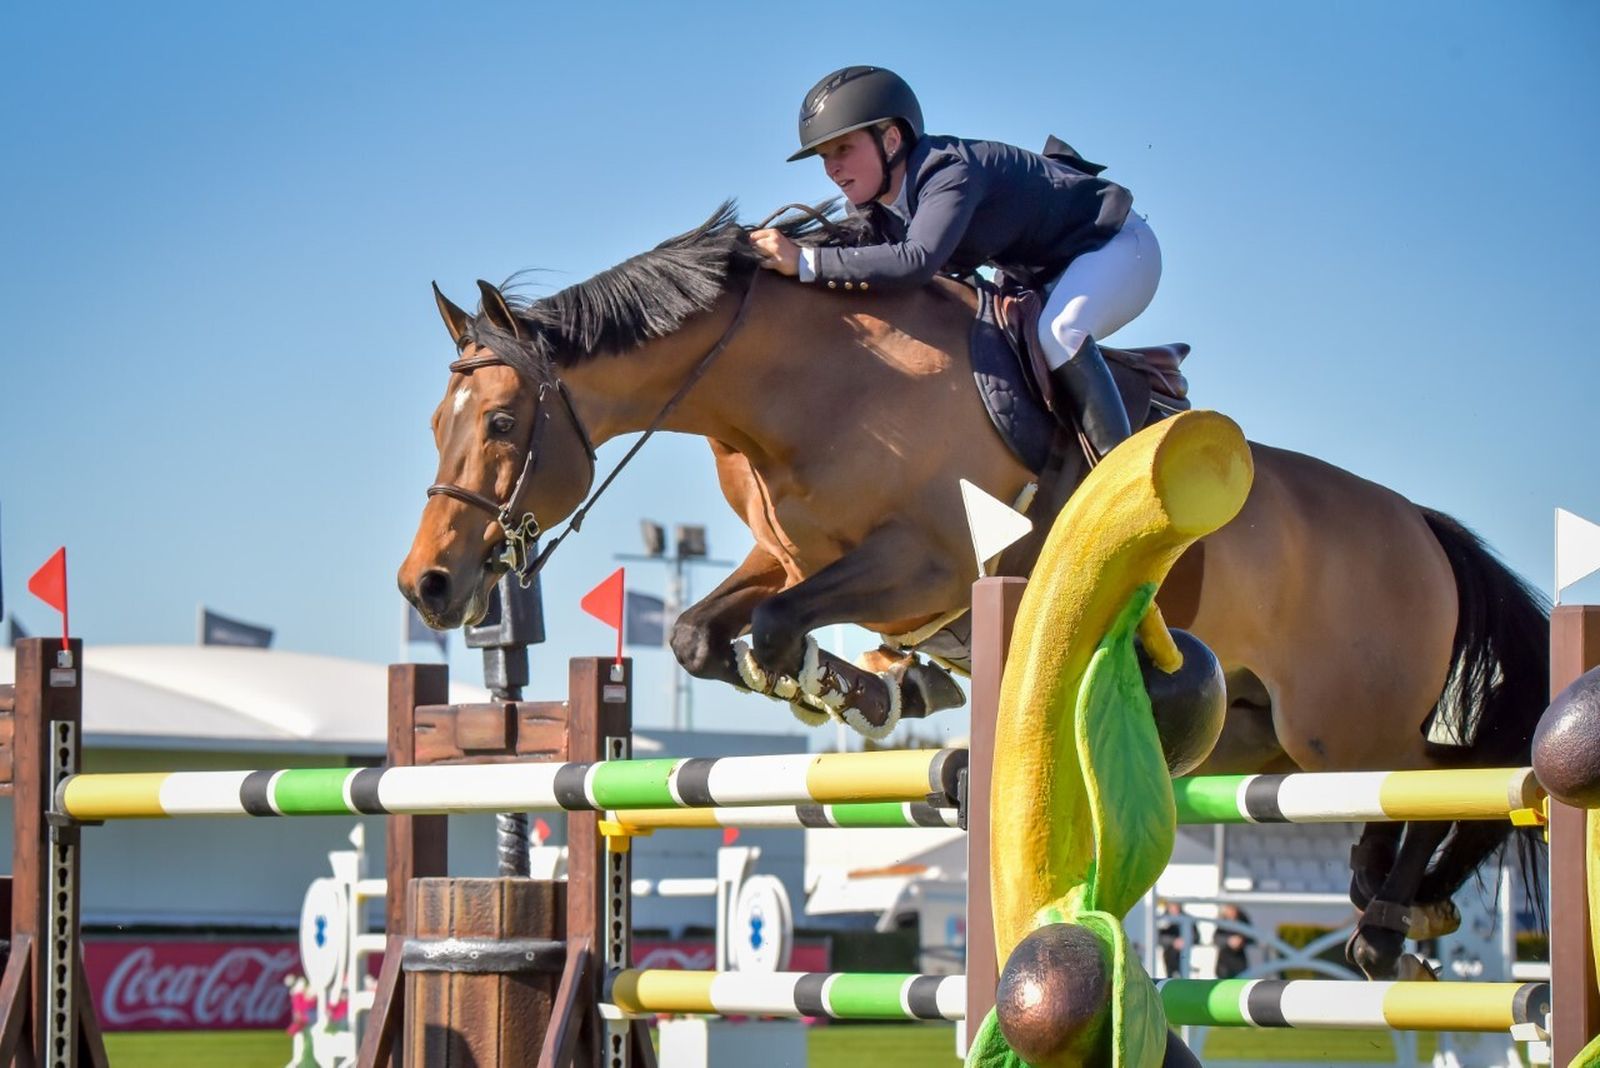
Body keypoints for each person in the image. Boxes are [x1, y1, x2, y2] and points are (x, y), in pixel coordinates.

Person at [750, 65, 1162, 459]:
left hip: (1115, 247)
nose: (832, 167)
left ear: (891, 140)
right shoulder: (877, 207)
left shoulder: (948, 170)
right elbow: (865, 265)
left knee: (1059, 333)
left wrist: (804, 261)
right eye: (824, 156)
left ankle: (1123, 480)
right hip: (1041, 276)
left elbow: (916, 261)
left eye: (843, 148)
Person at [1212, 902, 1254, 979]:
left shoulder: (1243, 921)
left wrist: (1241, 940)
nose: (1231, 912)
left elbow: (1252, 937)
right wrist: (1229, 941)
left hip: (1239, 962)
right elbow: (1216, 939)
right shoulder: (1222, 923)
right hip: (1224, 963)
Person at [1157, 900, 1187, 978]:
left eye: (1176, 907)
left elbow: (1195, 936)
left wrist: (1185, 941)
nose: (1174, 910)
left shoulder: (1186, 919)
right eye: (1172, 907)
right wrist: (1173, 941)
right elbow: (1158, 937)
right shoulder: (1162, 920)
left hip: (1183, 953)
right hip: (1169, 953)